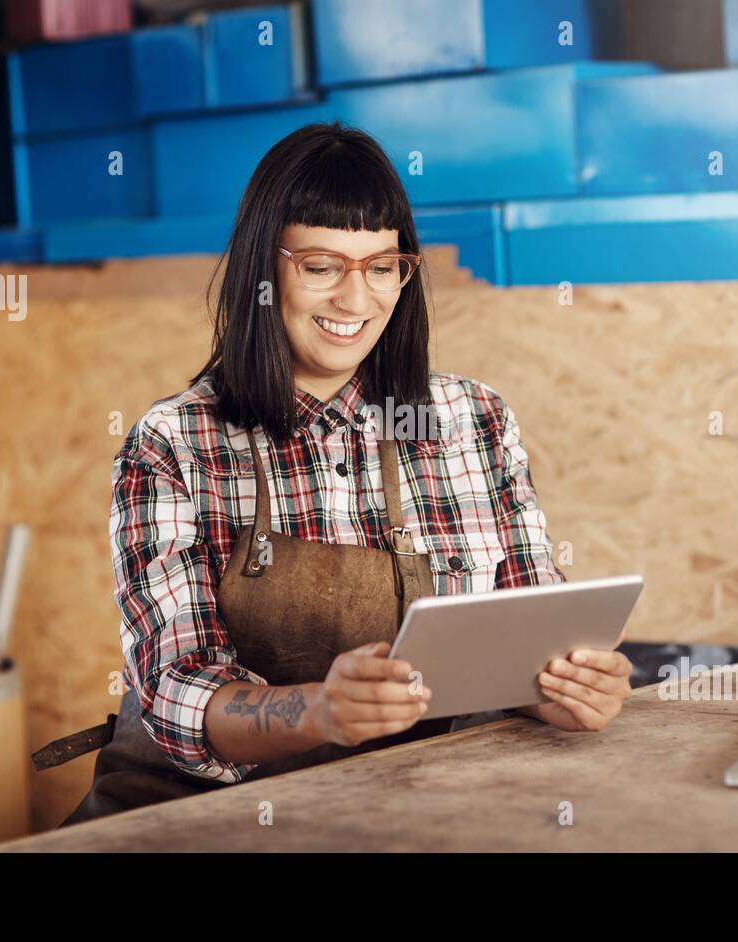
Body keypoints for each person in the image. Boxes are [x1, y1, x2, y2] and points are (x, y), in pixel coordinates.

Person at [38, 121, 633, 824]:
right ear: (264, 269)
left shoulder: (474, 420)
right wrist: (321, 710)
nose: (356, 301)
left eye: (382, 268)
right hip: (198, 819)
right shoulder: (175, 443)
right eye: (322, 267)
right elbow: (177, 691)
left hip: (405, 813)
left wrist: (569, 689)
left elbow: (527, 641)